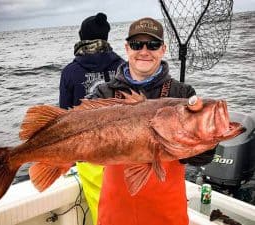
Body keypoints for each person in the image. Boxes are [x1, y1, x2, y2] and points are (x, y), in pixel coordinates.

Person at [90, 17, 215, 225]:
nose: (145, 51)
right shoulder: (104, 93)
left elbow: (200, 159)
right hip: (116, 212)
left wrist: (208, 137)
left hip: (166, 214)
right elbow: (86, 147)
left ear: (163, 49)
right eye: (137, 44)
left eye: (153, 44)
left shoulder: (182, 93)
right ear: (127, 48)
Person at [59, 12, 124, 225]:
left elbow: (64, 114)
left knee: (100, 208)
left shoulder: (70, 71)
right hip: (123, 149)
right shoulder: (124, 67)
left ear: (81, 37)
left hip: (88, 152)